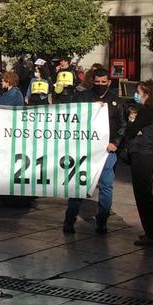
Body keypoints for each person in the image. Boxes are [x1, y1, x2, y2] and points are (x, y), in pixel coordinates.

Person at [63, 68, 122, 235]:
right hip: (84, 150)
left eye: (104, 82)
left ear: (109, 82)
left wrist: (115, 143)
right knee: (78, 186)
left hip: (106, 151)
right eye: (97, 82)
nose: (101, 85)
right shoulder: (83, 97)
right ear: (93, 81)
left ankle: (102, 221)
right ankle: (69, 220)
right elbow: (71, 117)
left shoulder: (115, 100)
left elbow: (123, 124)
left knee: (106, 186)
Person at [119, 80, 153, 246]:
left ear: (147, 94)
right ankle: (150, 232)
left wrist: (133, 125)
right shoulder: (150, 112)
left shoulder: (147, 112)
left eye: (138, 92)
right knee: (142, 196)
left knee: (145, 196)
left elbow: (130, 130)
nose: (136, 95)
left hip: (143, 156)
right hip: (144, 155)